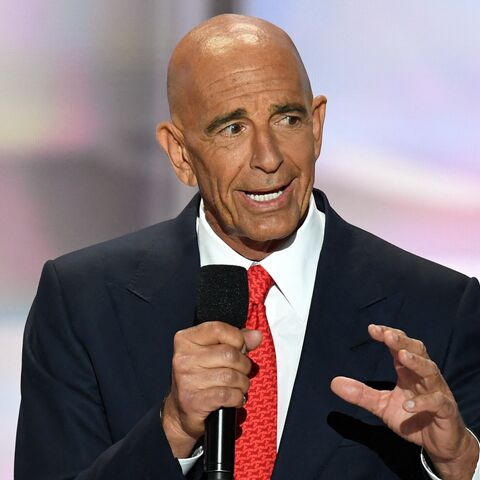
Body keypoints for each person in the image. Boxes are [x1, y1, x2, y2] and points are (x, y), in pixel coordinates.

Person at [15, 14, 480, 480]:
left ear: (316, 126)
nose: (268, 158)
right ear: (180, 153)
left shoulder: (440, 309)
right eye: (232, 129)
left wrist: (460, 463)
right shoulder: (83, 303)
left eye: (287, 119)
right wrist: (173, 429)